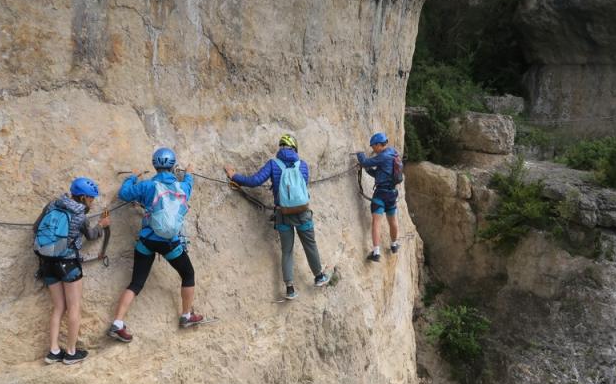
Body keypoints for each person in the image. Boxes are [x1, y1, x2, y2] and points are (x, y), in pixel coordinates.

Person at [106, 147, 202, 342]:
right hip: (169, 244)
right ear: (173, 166)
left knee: (136, 283)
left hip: (146, 241)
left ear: (154, 165)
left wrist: (132, 178)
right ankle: (186, 315)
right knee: (188, 274)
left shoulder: (147, 186)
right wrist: (189, 172)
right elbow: (189, 182)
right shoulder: (182, 187)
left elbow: (124, 193)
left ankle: (117, 323)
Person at [224, 134, 330, 299]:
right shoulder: (302, 165)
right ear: (295, 148)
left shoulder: (273, 164)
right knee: (310, 245)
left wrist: (234, 176)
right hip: (303, 214)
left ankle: (290, 289)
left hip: (283, 215)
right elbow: (303, 188)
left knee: (287, 251)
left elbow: (254, 181)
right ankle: (319, 277)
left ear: (280, 148)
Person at [34, 177, 110, 365]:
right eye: (91, 198)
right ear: (83, 197)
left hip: (47, 262)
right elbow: (91, 236)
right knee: (74, 307)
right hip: (68, 264)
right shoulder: (80, 215)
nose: (92, 202)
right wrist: (102, 225)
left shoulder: (53, 204)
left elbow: (36, 228)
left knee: (59, 307)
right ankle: (70, 352)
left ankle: (53, 351)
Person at [356, 132, 401, 262]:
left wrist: (360, 154)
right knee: (393, 220)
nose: (372, 149)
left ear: (378, 145)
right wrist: (366, 169)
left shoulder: (383, 156)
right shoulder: (393, 153)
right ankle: (394, 245)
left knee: (377, 221)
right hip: (392, 193)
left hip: (381, 194)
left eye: (373, 146)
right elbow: (378, 174)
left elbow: (365, 161)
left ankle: (376, 252)